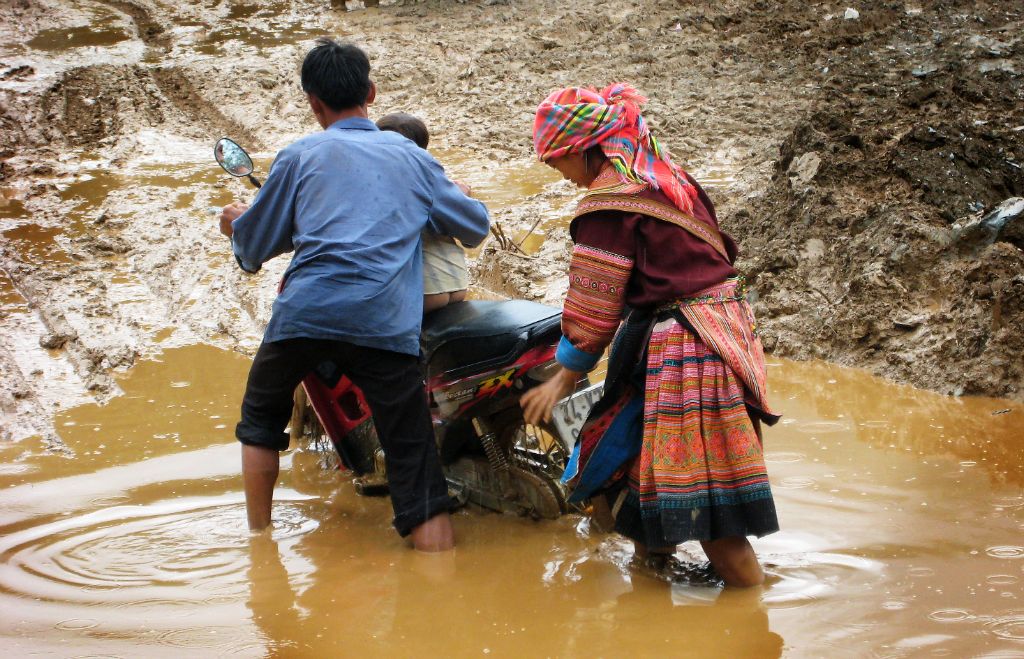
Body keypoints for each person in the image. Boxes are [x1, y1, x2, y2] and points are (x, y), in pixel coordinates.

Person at [218, 39, 490, 552]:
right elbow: (474, 227)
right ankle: (438, 582)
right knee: (415, 467)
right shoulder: (411, 157)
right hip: (383, 327)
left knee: (259, 423)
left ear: (313, 103)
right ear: (370, 91)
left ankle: (259, 548)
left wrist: (235, 226)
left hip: (303, 317)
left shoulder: (298, 156)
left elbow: (254, 248)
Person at [520, 84, 780, 586]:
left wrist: (561, 378)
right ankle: (651, 573)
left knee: (711, 512)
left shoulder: (608, 204)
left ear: (582, 149)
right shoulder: (664, 175)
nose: (566, 180)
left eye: (559, 166)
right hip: (724, 331)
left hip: (689, 350)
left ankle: (750, 608)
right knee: (647, 472)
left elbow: (594, 307)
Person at [376, 112, 470, 314]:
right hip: (457, 283)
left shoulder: (381, 184)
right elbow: (473, 234)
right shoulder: (440, 182)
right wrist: (463, 198)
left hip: (423, 293)